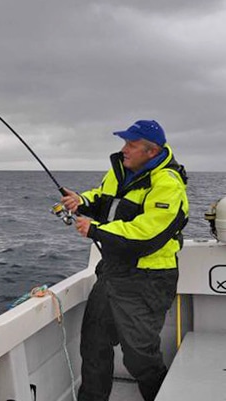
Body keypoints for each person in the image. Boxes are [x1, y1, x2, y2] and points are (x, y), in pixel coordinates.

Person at [60, 120, 189, 401]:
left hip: (149, 279)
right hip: (112, 272)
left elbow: (147, 235)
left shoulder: (168, 183)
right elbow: (104, 198)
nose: (124, 149)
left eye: (131, 144)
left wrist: (95, 230)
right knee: (94, 344)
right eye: (125, 142)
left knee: (140, 356)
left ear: (151, 151)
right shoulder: (121, 171)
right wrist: (80, 201)